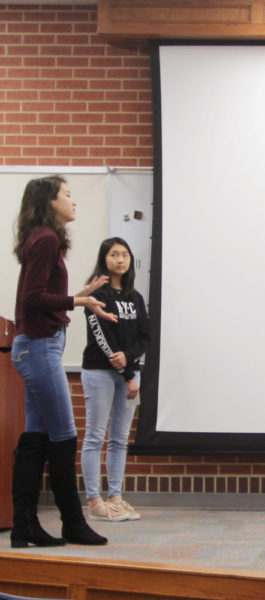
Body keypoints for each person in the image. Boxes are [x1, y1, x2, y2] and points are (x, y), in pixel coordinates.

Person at [10, 175, 115, 547]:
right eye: (67, 195)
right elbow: (33, 299)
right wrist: (78, 302)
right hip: (39, 348)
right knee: (65, 434)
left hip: (38, 345)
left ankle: (24, 527)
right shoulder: (47, 238)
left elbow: (37, 296)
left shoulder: (41, 238)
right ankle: (72, 522)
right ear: (50, 201)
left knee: (37, 437)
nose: (74, 201)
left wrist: (77, 295)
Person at [80, 237, 150, 522]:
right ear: (104, 259)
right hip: (99, 372)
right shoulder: (98, 292)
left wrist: (130, 366)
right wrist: (125, 371)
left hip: (129, 375)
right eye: (114, 255)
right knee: (96, 435)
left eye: (124, 255)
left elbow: (145, 336)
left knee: (120, 439)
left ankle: (116, 498)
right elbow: (103, 337)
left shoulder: (135, 297)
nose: (120, 260)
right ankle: (95, 501)